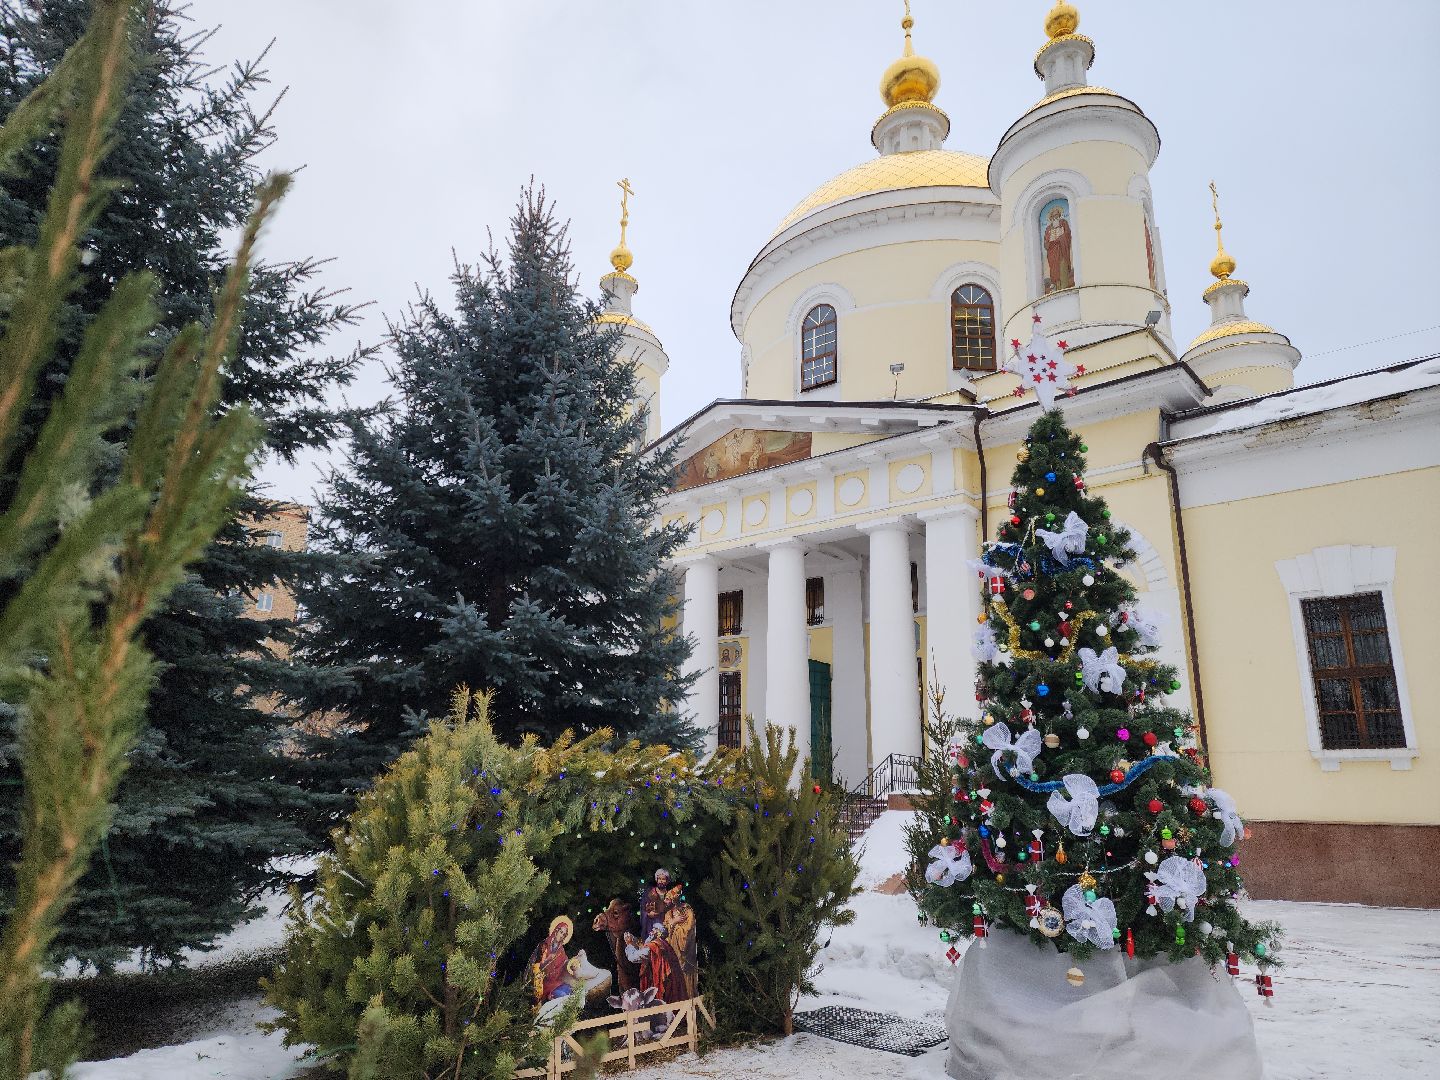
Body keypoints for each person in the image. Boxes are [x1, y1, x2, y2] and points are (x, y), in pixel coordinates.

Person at [624, 923, 690, 1005]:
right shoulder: (665, 944)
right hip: (671, 982)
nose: (651, 932)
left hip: (663, 983)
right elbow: (643, 947)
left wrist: (629, 944)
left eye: (654, 930)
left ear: (658, 933)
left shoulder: (654, 946)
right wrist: (634, 941)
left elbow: (634, 957)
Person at [527, 915, 574, 1007]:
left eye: (564, 934)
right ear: (556, 931)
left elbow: (564, 964)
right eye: (561, 932)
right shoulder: (544, 945)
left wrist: (571, 964)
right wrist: (548, 959)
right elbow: (536, 966)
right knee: (562, 996)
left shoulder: (561, 950)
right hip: (541, 982)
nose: (562, 936)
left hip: (554, 981)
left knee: (569, 989)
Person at [639, 868, 681, 939]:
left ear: (667, 881)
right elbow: (643, 909)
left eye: (663, 879)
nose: (661, 881)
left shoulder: (670, 895)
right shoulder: (649, 893)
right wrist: (648, 914)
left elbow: (675, 910)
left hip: (666, 926)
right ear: (656, 879)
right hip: (651, 926)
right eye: (659, 879)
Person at [1044, 204, 1074, 292]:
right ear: (1050, 217)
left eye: (1056, 215)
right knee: (1054, 269)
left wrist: (1059, 239)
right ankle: (1056, 288)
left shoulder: (1063, 223)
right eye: (1053, 216)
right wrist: (1050, 243)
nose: (1055, 217)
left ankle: (1064, 287)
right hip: (1052, 252)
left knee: (1062, 266)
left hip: (1062, 250)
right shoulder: (1048, 228)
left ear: (1059, 215)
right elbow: (1046, 242)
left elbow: (1067, 234)